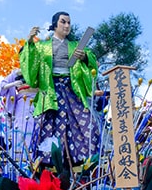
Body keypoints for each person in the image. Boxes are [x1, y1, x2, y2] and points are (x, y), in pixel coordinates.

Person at [19, 11, 101, 166]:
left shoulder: (75, 45)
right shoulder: (42, 46)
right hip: (51, 90)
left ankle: (82, 161)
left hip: (72, 89)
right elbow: (29, 66)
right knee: (49, 124)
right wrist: (29, 42)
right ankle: (48, 163)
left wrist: (84, 57)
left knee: (86, 123)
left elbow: (92, 61)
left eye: (69, 22)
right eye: (63, 22)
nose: (67, 25)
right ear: (54, 24)